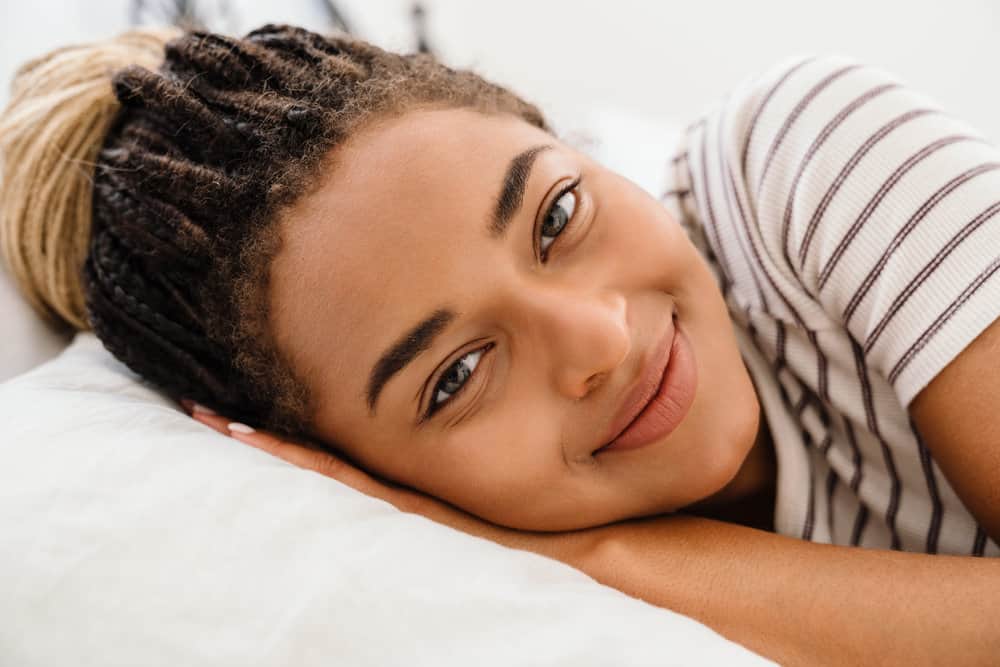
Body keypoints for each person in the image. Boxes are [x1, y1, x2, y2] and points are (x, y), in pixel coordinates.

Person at [1, 24, 998, 665]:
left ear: (557, 135)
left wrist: (606, 552)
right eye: (459, 375)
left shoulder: (810, 157)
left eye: (556, 216)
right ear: (363, 472)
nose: (597, 338)